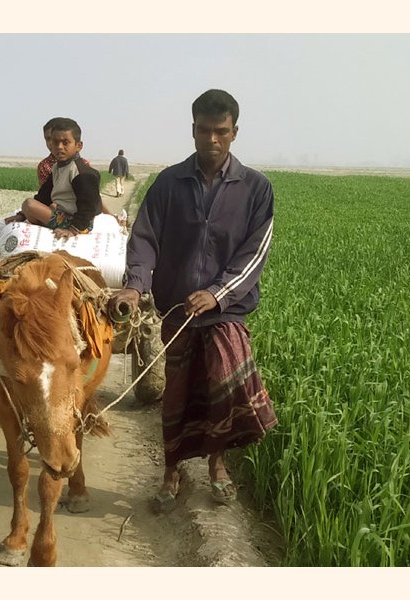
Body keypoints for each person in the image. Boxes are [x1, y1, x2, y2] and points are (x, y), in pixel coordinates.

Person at [109, 89, 277, 514]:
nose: (212, 140)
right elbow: (144, 238)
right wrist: (134, 286)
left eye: (221, 131)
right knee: (177, 395)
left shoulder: (256, 188)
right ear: (193, 131)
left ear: (235, 132)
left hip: (226, 312)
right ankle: (171, 471)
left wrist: (217, 294)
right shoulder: (169, 183)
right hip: (179, 311)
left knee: (222, 387)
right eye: (205, 130)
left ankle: (218, 466)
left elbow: (254, 253)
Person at [9, 117, 102, 239]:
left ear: (78, 146)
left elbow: (89, 206)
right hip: (63, 214)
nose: (59, 147)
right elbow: (44, 196)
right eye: (55, 142)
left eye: (65, 142)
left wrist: (73, 230)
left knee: (30, 204)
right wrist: (22, 215)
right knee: (29, 206)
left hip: (78, 222)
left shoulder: (80, 172)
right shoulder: (57, 167)